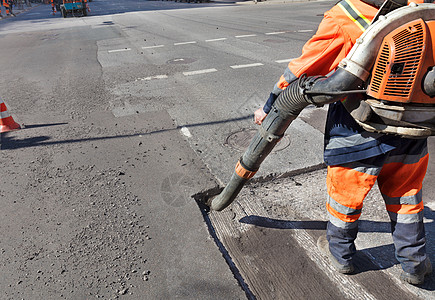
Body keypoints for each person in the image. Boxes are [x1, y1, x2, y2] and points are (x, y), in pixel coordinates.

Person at [254, 0, 432, 285]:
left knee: (345, 202)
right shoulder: (423, 8)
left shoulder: (346, 16)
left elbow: (301, 70)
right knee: (407, 202)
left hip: (356, 135)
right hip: (411, 131)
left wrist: (269, 106)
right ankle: (415, 266)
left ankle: (341, 256)